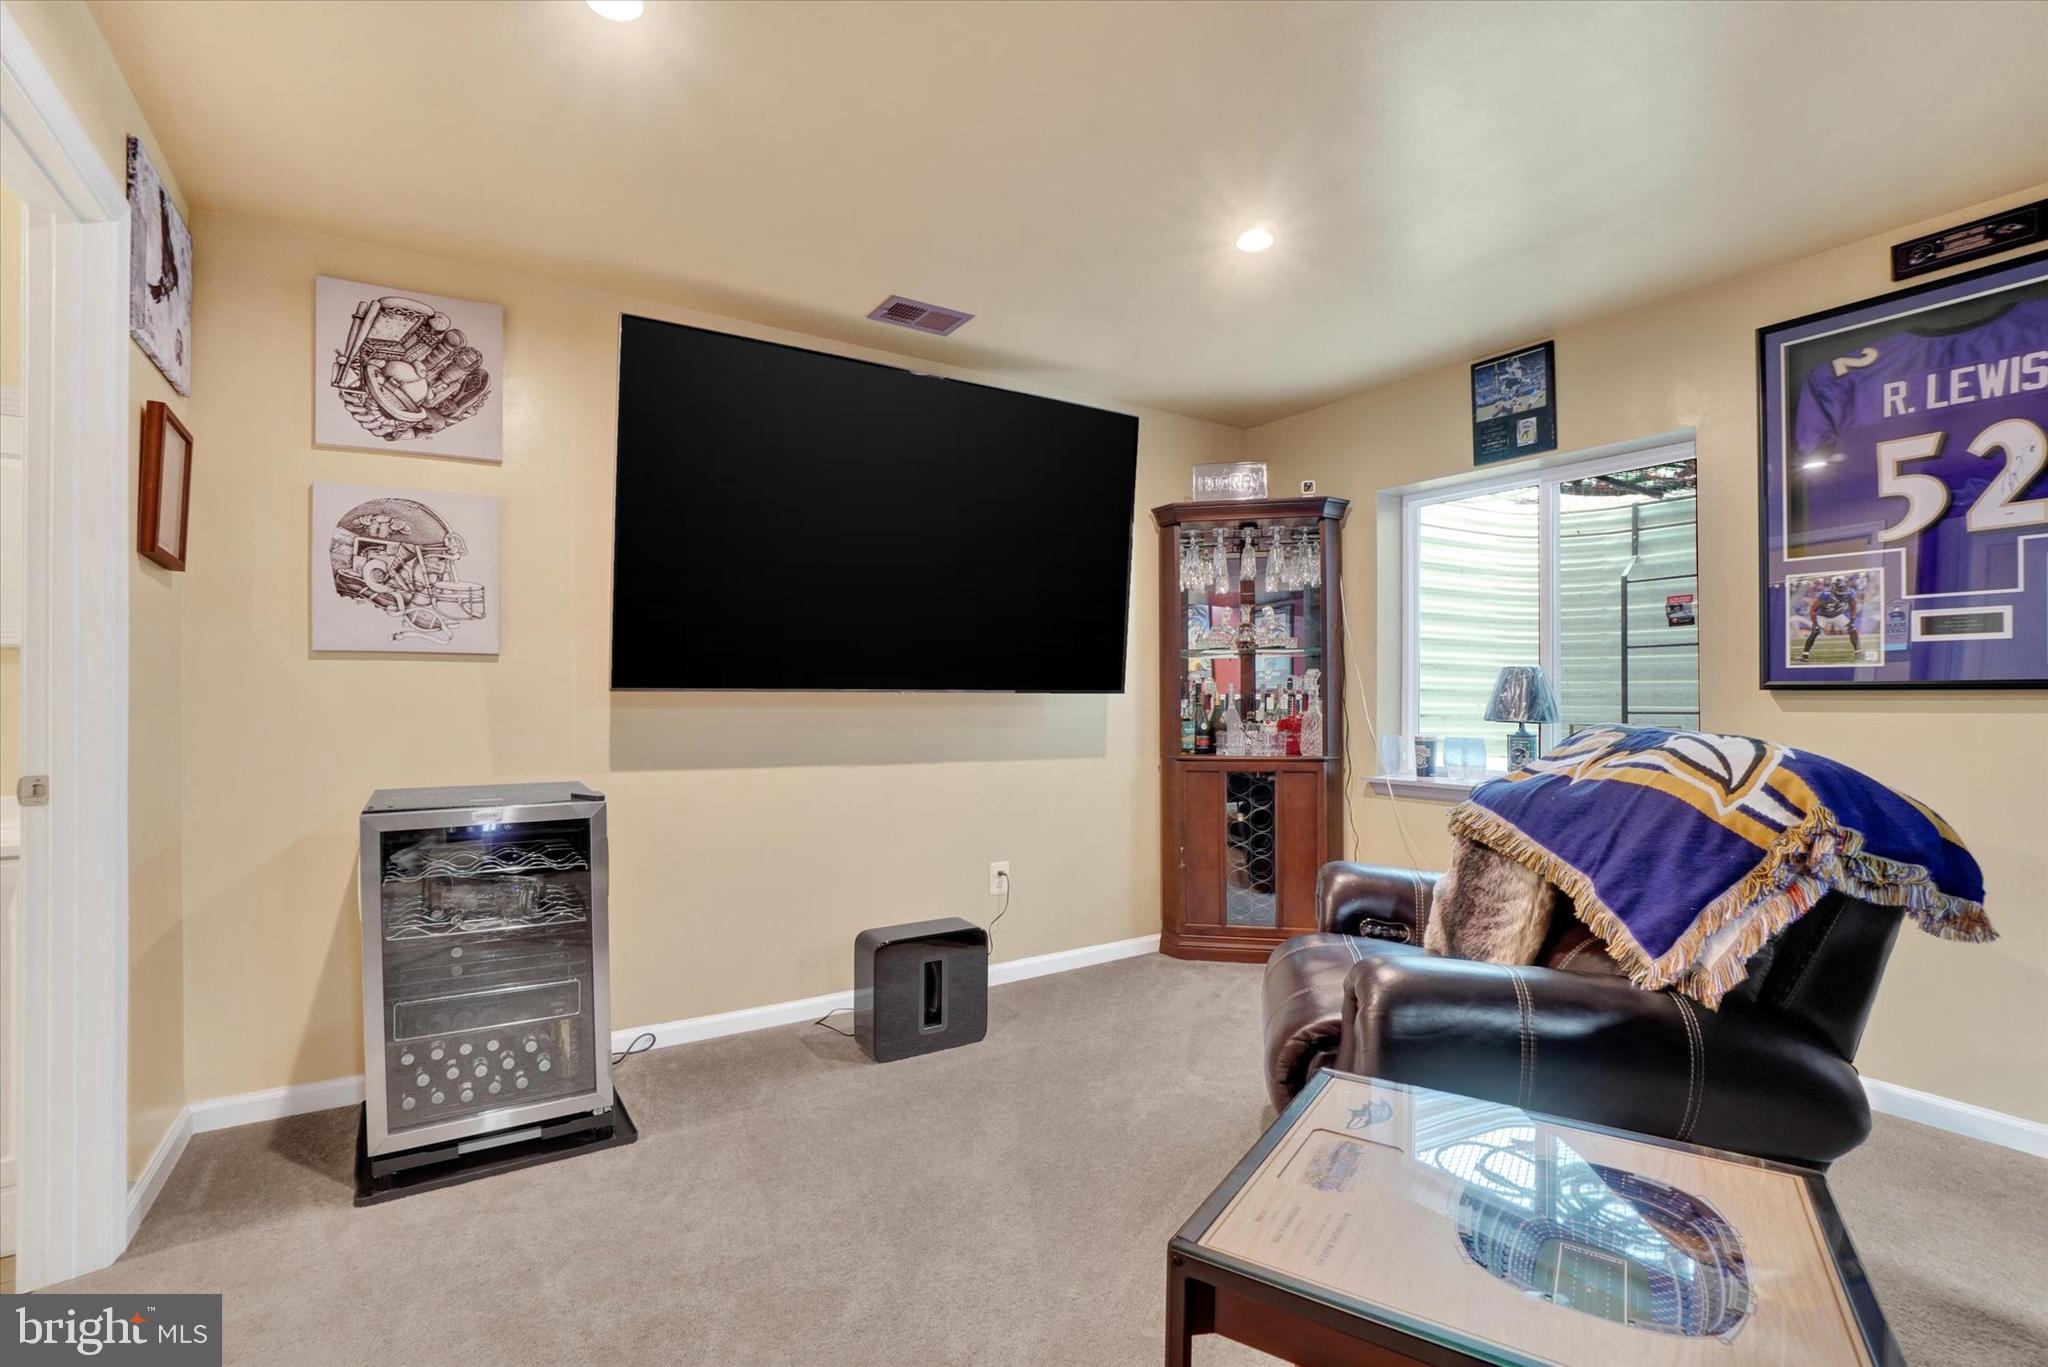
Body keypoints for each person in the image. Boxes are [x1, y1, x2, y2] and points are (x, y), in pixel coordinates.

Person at [1799, 576, 1860, 661]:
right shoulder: (1825, 595)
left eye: (1842, 588)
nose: (1841, 591)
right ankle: (1805, 655)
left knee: (1852, 629)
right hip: (1823, 616)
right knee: (1815, 632)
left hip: (1838, 615)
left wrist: (1852, 619)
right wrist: (1815, 623)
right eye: (1839, 589)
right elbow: (1813, 609)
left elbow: (1853, 606)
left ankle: (1858, 652)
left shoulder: (1849, 593)